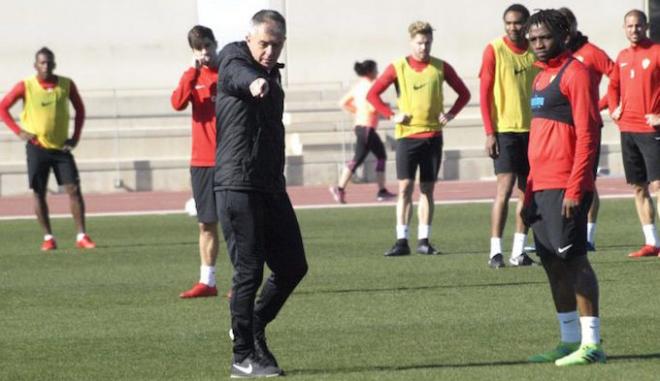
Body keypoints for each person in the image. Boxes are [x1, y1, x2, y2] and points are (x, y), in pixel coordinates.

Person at [214, 10, 308, 378]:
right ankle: (242, 356)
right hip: (237, 183)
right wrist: (254, 82)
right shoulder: (235, 59)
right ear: (250, 39)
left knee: (293, 266)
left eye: (276, 44)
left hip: (269, 184)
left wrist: (265, 79)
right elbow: (238, 74)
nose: (269, 51)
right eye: (264, 43)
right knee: (249, 271)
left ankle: (252, 327)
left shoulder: (274, 73)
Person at [523, 9, 605, 366]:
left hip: (566, 186)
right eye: (532, 40)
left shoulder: (577, 73)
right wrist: (528, 193)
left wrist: (576, 188)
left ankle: (592, 345)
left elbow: (589, 133)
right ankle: (569, 340)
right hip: (540, 188)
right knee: (552, 265)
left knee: (575, 262)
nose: (538, 45)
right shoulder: (540, 80)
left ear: (563, 35)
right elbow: (539, 139)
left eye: (544, 38)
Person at [367, 21, 471, 256]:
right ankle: (401, 239)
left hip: (433, 136)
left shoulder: (440, 67)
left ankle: (424, 239)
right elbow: (372, 95)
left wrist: (451, 114)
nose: (423, 47)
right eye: (419, 43)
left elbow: (464, 93)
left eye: (427, 43)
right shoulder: (398, 67)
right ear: (411, 42)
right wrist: (392, 115)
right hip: (407, 137)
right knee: (404, 188)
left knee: (427, 189)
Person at [0, 47, 96, 251]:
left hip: (61, 148)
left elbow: (80, 109)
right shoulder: (26, 86)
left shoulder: (66, 84)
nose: (46, 66)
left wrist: (75, 136)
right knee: (39, 192)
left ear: (55, 64)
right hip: (37, 147)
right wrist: (19, 131)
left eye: (49, 62)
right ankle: (48, 237)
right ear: (35, 65)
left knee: (73, 189)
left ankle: (81, 235)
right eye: (42, 62)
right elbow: (2, 107)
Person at [480, 4, 537, 268]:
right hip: (505, 130)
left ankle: (518, 251)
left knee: (528, 191)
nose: (513, 27)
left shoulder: (535, 50)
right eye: (509, 23)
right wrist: (490, 132)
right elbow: (484, 93)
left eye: (518, 23)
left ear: (527, 24)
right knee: (504, 188)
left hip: (534, 131)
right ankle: (495, 251)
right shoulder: (494, 50)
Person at [171, 25, 224, 298]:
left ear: (216, 44)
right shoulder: (193, 76)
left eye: (208, 46)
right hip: (201, 161)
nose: (205, 53)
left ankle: (243, 282)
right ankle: (208, 281)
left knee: (235, 222)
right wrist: (192, 73)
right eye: (199, 48)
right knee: (206, 223)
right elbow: (177, 103)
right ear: (193, 51)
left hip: (229, 159)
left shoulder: (228, 71)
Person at [558, 7, 615, 252]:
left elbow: (617, 75)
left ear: (572, 26)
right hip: (561, 128)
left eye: (565, 26)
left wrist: (601, 104)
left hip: (587, 125)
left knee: (586, 180)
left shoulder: (590, 52)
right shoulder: (557, 55)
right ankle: (563, 232)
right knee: (561, 179)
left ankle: (588, 235)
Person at [608, 9, 660, 258]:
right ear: (624, 29)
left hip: (652, 131)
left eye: (638, 26)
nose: (634, 30)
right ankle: (652, 243)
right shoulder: (622, 56)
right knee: (638, 187)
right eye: (629, 26)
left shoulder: (657, 52)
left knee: (659, 186)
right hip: (627, 129)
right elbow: (613, 85)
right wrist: (613, 109)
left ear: (646, 26)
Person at [329, 60, 396, 204]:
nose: (378, 72)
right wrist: (385, 107)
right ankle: (381, 191)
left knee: (359, 159)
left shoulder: (358, 86)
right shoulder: (371, 86)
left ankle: (340, 189)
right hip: (367, 127)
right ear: (370, 71)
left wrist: (357, 111)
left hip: (361, 126)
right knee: (379, 156)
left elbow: (342, 103)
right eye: (376, 70)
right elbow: (373, 106)